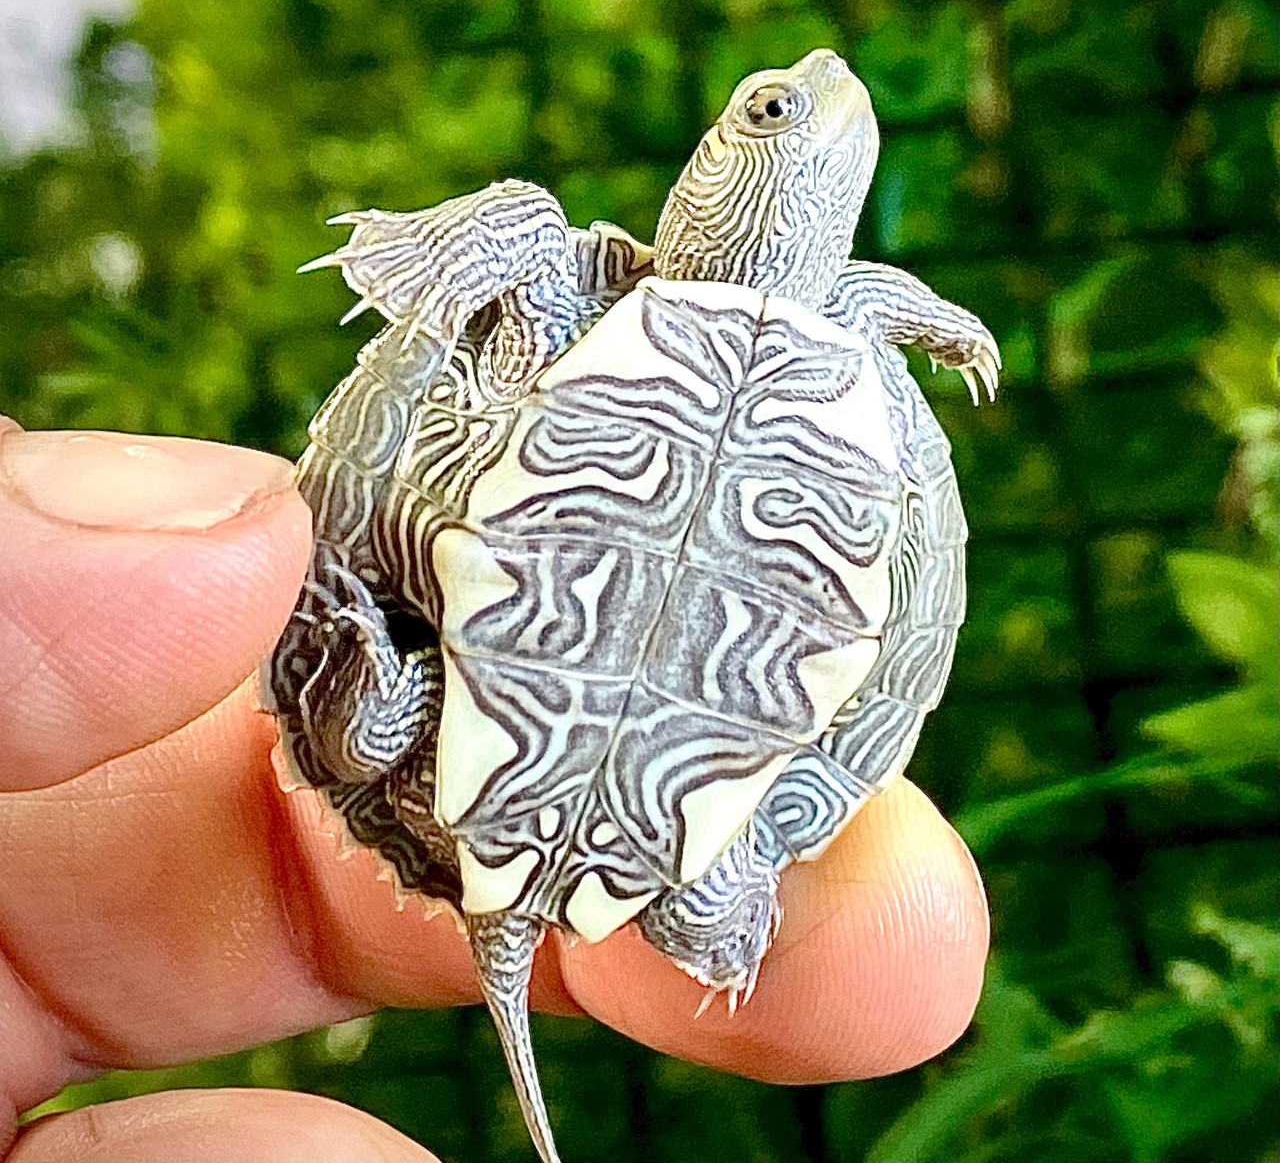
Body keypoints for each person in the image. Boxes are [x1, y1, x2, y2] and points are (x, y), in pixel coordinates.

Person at [0, 417, 989, 1163]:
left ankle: (676, 892)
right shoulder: (850, 353)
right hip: (599, 728)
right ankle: (689, 902)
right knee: (729, 871)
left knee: (447, 712)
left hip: (523, 687)